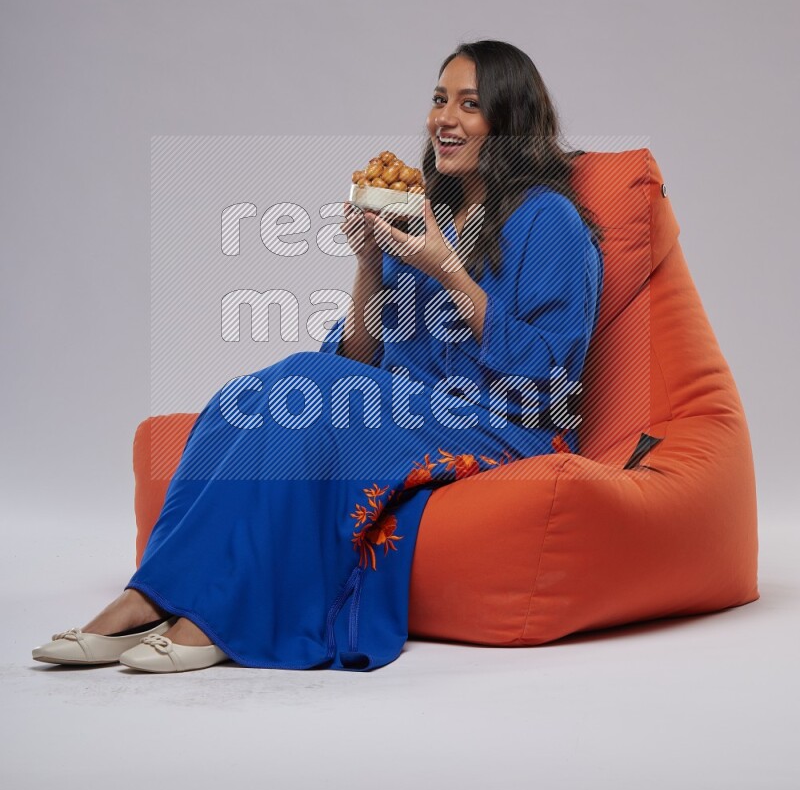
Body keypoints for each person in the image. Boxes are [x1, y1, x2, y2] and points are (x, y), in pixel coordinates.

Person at [32, 40, 605, 674]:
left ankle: (224, 616)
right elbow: (361, 353)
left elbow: (554, 372)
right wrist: (366, 262)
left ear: (509, 122)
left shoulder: (549, 220)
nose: (445, 118)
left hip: (499, 419)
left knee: (308, 386)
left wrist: (448, 271)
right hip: (404, 401)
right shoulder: (418, 211)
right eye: (439, 99)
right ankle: (148, 594)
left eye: (470, 105)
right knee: (247, 399)